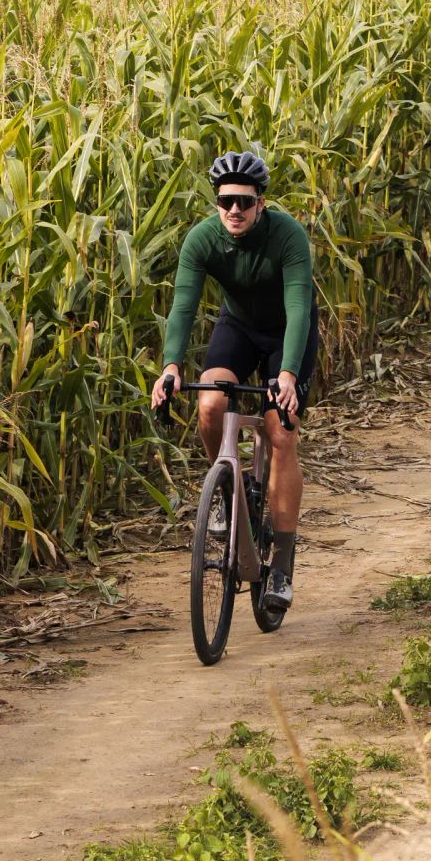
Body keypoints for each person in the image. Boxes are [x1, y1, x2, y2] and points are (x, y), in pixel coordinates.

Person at [150, 149, 319, 615]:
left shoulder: (287, 236)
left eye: (244, 202)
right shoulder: (202, 239)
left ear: (261, 202)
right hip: (239, 328)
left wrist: (285, 375)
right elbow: (184, 305)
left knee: (280, 432)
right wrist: (171, 366)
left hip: (288, 333)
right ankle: (229, 488)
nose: (234, 211)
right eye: (225, 202)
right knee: (209, 404)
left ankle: (281, 565)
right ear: (216, 203)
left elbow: (300, 307)